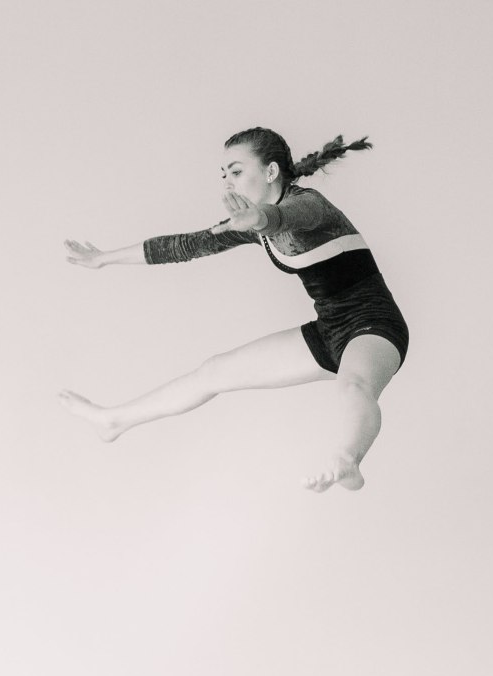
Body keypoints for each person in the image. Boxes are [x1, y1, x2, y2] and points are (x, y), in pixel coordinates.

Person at [60, 128, 409, 492]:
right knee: (213, 371)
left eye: (237, 171)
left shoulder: (310, 205)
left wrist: (261, 220)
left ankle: (347, 460)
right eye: (224, 174)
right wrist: (104, 258)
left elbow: (285, 217)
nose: (228, 182)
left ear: (271, 171)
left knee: (354, 385)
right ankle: (114, 420)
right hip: (328, 331)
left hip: (375, 326)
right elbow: (183, 246)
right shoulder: (250, 226)